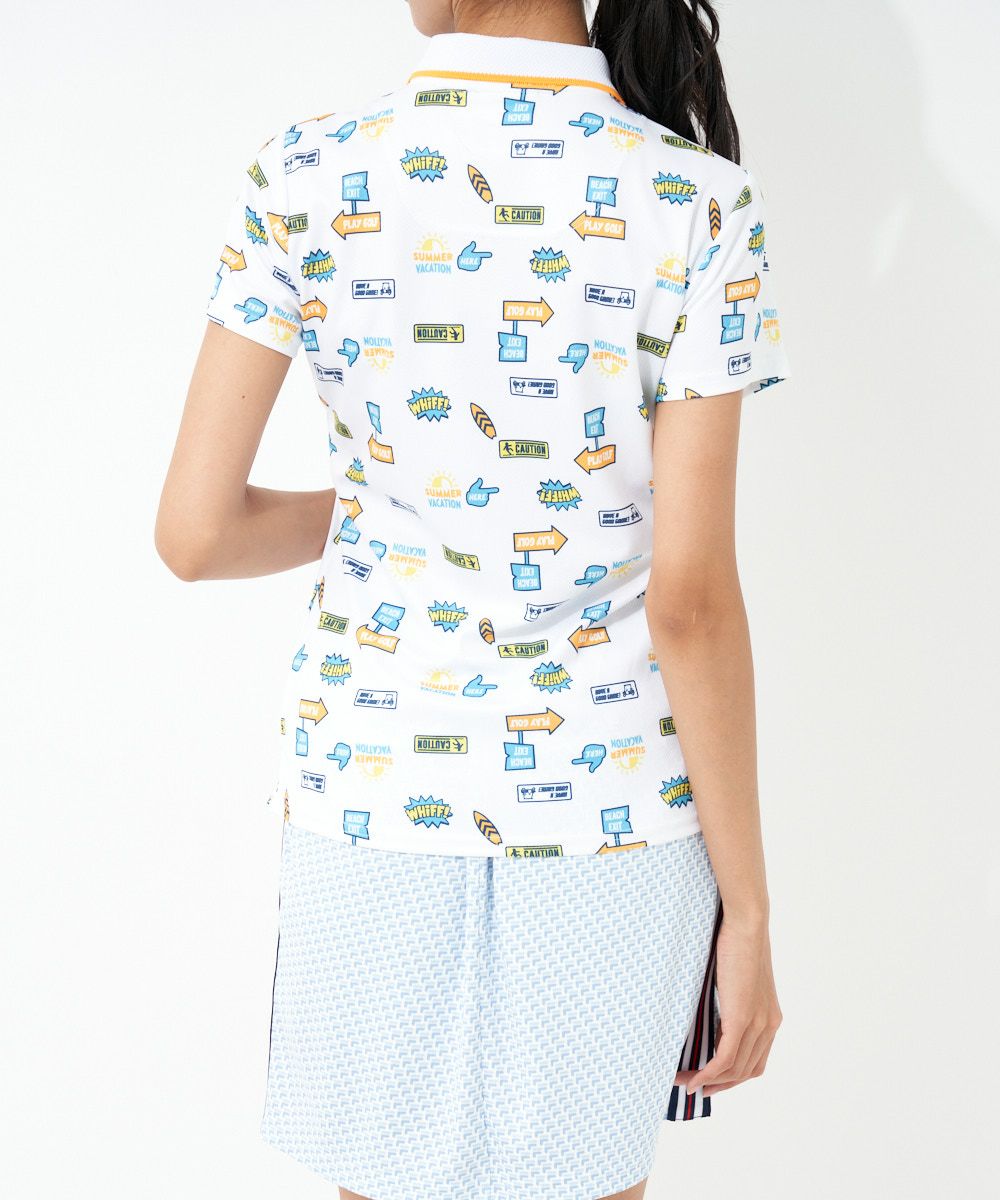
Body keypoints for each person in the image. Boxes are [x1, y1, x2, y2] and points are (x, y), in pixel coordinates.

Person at [155, 1, 789, 1197]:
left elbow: (196, 535)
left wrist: (408, 504)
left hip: (373, 789)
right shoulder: (697, 200)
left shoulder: (305, 170)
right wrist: (747, 911)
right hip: (611, 817)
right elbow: (692, 601)